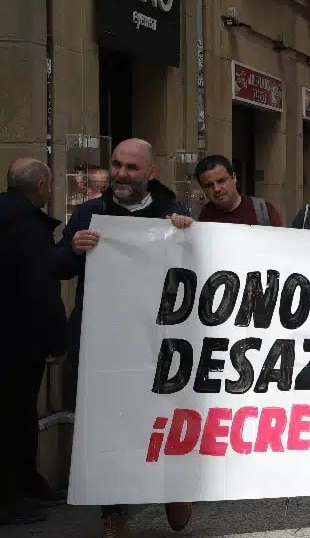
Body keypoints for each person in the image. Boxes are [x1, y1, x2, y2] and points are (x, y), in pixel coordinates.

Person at [55, 138, 194, 538]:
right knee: (106, 429)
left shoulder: (173, 213)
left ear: (151, 173)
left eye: (131, 168)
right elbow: (58, 265)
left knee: (161, 421)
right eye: (116, 165)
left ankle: (173, 490)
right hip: (102, 345)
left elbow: (196, 270)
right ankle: (113, 513)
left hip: (157, 344)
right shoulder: (89, 212)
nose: (121, 174)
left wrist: (187, 235)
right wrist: (73, 250)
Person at [0, 159, 67, 526]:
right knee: (15, 417)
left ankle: (25, 484)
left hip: (11, 338)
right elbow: (43, 290)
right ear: (42, 184)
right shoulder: (29, 227)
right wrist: (57, 339)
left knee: (16, 416)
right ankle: (10, 497)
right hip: (20, 342)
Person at [193, 154, 283, 226]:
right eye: (209, 185)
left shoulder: (263, 211)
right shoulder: (202, 217)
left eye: (221, 181)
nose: (216, 189)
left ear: (234, 178)